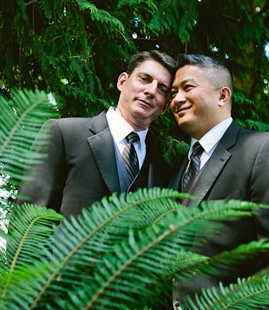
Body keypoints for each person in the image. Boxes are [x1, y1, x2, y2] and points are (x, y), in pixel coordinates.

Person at [167, 54, 269, 310]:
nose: (176, 99)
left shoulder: (264, 150)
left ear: (223, 95)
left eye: (187, 87)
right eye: (173, 92)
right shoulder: (177, 169)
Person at [18, 50, 176, 217]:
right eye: (144, 79)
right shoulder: (64, 134)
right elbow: (27, 221)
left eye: (162, 89)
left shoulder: (162, 171)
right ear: (122, 81)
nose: (151, 91)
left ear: (165, 107)